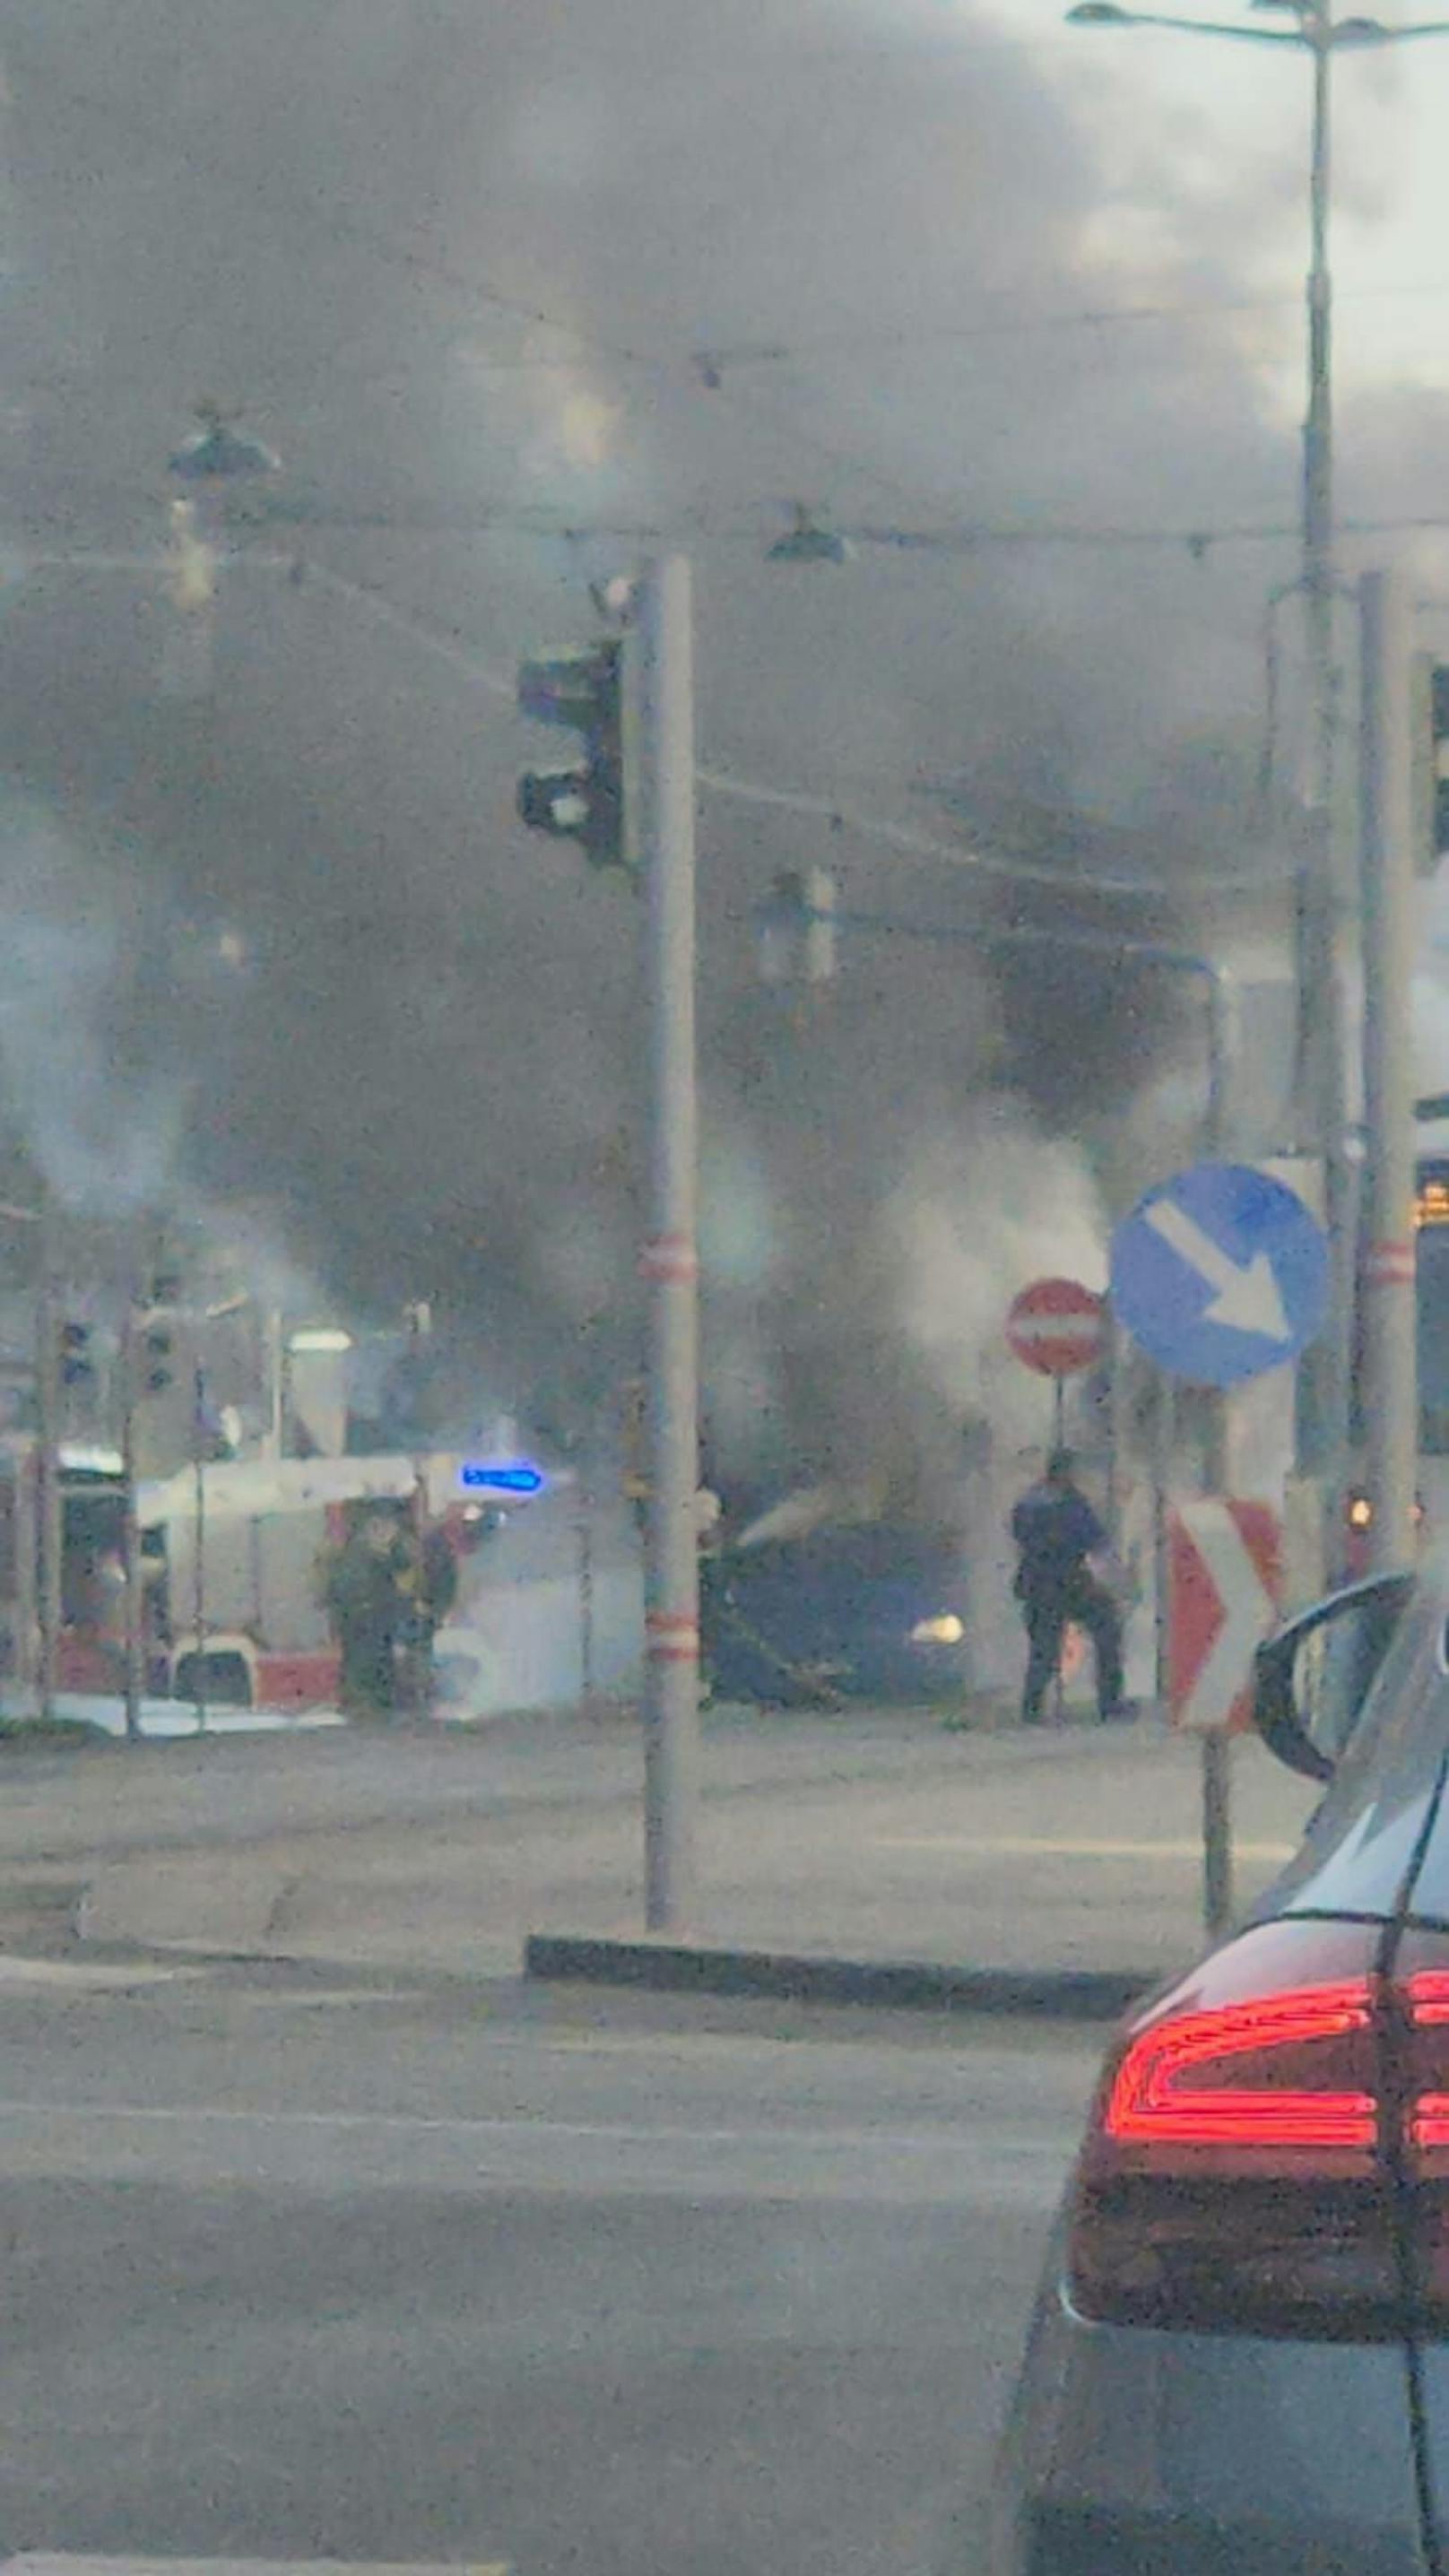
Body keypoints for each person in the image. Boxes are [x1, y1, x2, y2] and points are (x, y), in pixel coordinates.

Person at [1010, 1449, 1126, 1726]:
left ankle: (1032, 1707)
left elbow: (1019, 1535)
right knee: (1106, 1627)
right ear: (1067, 1473)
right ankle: (1110, 1703)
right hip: (1068, 1579)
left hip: (1036, 1582)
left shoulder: (1028, 1502)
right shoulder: (1070, 1502)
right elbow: (1093, 1538)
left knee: (1043, 1648)